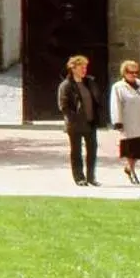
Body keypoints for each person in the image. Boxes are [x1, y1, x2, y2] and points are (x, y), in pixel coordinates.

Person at [59, 55, 100, 186]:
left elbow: (96, 100)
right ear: (73, 68)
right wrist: (74, 118)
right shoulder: (66, 85)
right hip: (75, 125)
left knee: (92, 151)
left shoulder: (90, 82)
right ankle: (79, 178)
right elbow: (63, 106)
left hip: (90, 122)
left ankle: (91, 177)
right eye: (81, 67)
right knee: (76, 152)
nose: (84, 69)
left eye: (85, 67)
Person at [111, 59, 140, 186]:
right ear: (124, 72)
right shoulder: (118, 87)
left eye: (136, 72)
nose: (134, 74)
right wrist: (117, 121)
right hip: (128, 122)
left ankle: (129, 167)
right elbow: (115, 104)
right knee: (130, 149)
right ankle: (132, 171)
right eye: (130, 72)